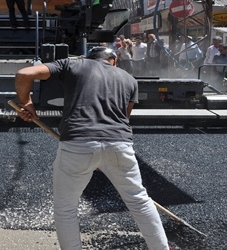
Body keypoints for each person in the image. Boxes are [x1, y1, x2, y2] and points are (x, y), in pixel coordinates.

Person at [14, 46, 169, 250]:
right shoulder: (129, 79)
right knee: (140, 201)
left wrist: (26, 103)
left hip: (78, 144)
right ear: (114, 60)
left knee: (66, 209)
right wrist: (102, 158)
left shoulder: (73, 64)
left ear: (90, 57)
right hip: (120, 145)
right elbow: (124, 118)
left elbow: (24, 73)